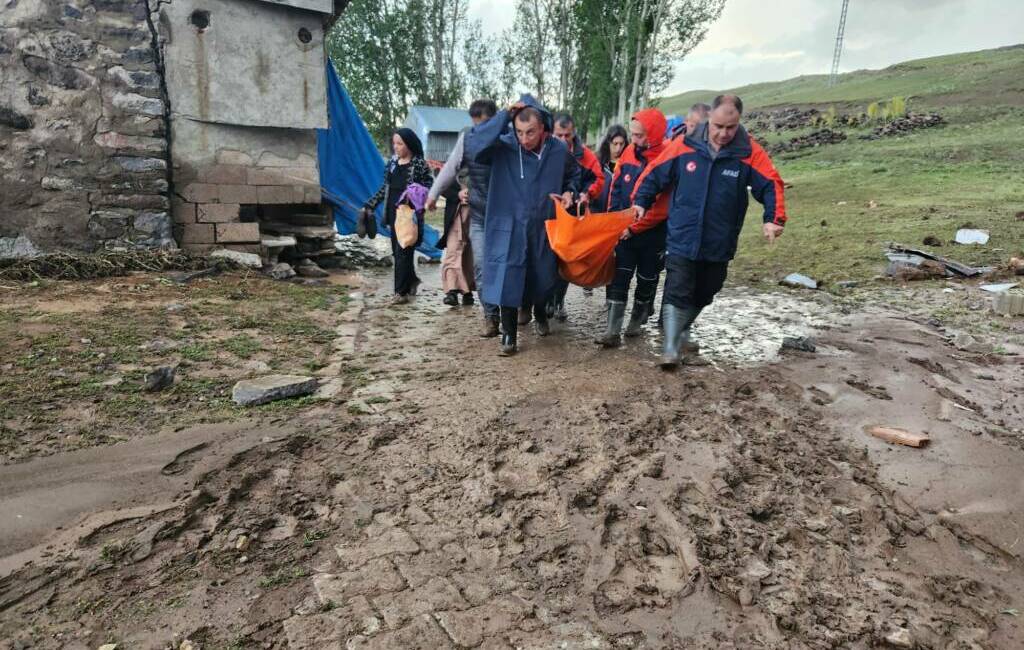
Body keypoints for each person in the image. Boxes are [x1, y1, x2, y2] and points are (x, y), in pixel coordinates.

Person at [632, 95, 787, 369]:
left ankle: (679, 334)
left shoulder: (748, 151)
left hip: (720, 237)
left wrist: (773, 218)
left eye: (730, 127)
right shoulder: (685, 145)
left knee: (707, 290)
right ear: (710, 119)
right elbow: (655, 173)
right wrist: (641, 201)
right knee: (678, 289)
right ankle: (669, 349)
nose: (723, 133)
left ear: (738, 122)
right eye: (717, 126)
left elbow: (771, 183)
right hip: (682, 233)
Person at [464, 93, 581, 356]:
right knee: (507, 277)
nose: (524, 139)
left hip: (543, 224)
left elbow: (574, 175)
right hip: (509, 223)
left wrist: (569, 192)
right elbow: (474, 146)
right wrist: (504, 115)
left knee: (543, 277)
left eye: (530, 132)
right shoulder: (503, 145)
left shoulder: (558, 150)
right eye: (519, 132)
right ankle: (508, 335)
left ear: (543, 129)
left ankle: (540, 311)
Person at [595, 108, 670, 348]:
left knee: (647, 279)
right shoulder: (629, 153)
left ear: (654, 134)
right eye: (633, 134)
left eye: (639, 136)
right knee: (619, 277)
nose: (633, 140)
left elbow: (661, 207)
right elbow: (616, 188)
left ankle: (636, 323)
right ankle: (612, 331)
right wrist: (613, 221)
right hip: (624, 231)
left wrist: (634, 228)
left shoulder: (667, 158)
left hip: (653, 234)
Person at [426, 100, 500, 311]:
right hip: (460, 210)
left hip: (489, 210)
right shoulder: (465, 141)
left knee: (476, 256)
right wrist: (453, 193)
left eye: (484, 124)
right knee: (455, 248)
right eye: (476, 124)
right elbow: (448, 173)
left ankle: (468, 291)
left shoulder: (503, 143)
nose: (479, 129)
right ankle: (451, 291)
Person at [362, 128, 434, 305]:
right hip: (393, 213)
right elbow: (385, 189)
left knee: (403, 252)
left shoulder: (419, 164)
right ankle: (412, 281)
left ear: (409, 144)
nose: (396, 147)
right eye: (394, 143)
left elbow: (429, 186)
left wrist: (416, 193)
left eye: (400, 143)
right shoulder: (392, 164)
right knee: (399, 252)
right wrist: (370, 205)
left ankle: (400, 293)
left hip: (408, 215)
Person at [549, 113, 605, 321]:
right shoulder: (544, 151)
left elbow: (599, 178)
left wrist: (586, 193)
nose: (563, 140)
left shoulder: (586, 155)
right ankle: (543, 301)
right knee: (545, 260)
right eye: (559, 135)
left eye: (568, 136)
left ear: (574, 134)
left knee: (565, 260)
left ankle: (558, 301)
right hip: (547, 213)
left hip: (571, 215)